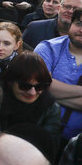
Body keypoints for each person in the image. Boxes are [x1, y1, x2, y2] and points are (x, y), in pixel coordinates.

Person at [34, 8, 82, 144]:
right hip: (40, 133)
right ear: (71, 24)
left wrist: (50, 92)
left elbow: (45, 89)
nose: (81, 30)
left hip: (77, 144)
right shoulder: (48, 48)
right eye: (79, 24)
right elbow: (39, 85)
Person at [0, 52, 61, 150]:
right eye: (25, 86)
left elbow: (49, 147)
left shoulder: (50, 108)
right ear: (10, 82)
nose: (32, 92)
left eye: (39, 87)